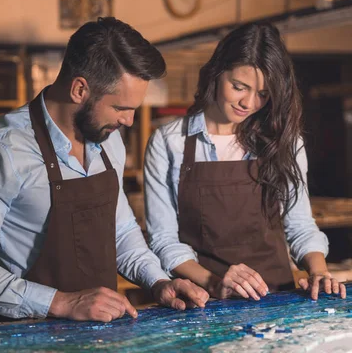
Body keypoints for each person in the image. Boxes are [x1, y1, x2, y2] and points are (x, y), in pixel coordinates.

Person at [0, 17, 209, 323]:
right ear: (80, 89)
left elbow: (120, 231)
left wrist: (158, 281)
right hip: (30, 338)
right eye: (121, 108)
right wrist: (62, 302)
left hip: (101, 335)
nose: (129, 121)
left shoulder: (109, 141)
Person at [144, 22, 346, 302]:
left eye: (263, 94)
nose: (248, 103)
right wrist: (214, 283)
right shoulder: (170, 142)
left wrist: (318, 271)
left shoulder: (283, 141)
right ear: (216, 73)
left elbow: (299, 224)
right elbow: (164, 240)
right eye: (239, 87)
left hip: (277, 298)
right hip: (205, 301)